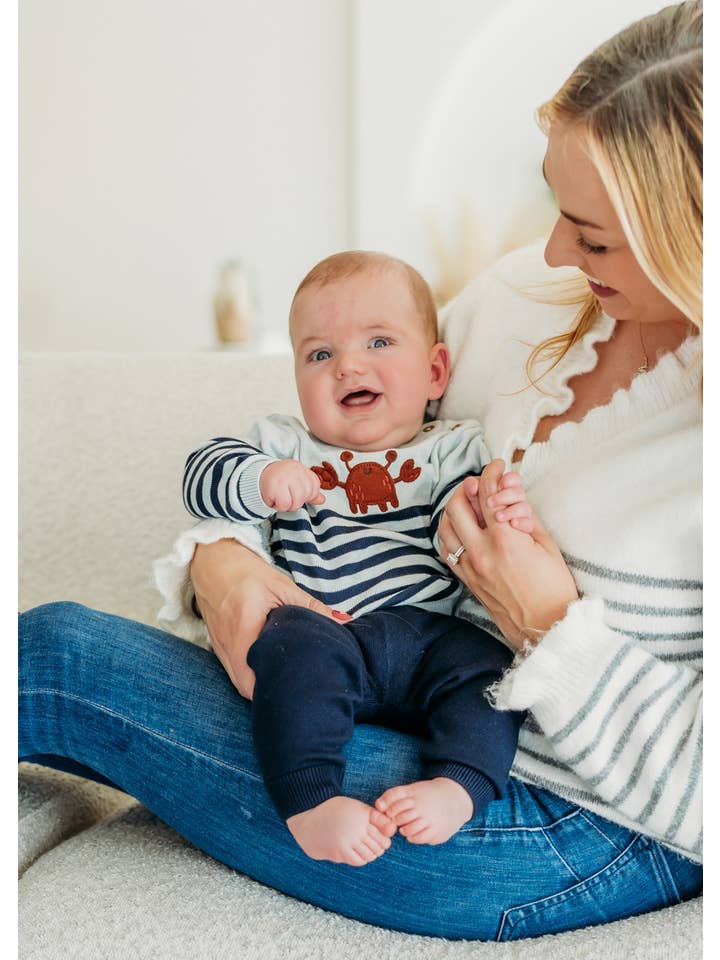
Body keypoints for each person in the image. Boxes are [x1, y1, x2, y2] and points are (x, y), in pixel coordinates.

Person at [19, 1, 702, 941]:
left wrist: (547, 624)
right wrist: (221, 565)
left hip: (565, 821)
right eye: (556, 208)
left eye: (592, 237)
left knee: (54, 661)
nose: (551, 254)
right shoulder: (516, 301)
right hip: (375, 692)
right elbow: (337, 453)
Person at [181, 250, 529, 865]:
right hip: (327, 631)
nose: (348, 365)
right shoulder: (285, 443)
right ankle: (310, 801)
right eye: (320, 354)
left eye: (378, 341)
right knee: (289, 645)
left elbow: (469, 514)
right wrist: (260, 479)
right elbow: (200, 473)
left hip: (430, 637)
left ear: (435, 372)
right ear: (295, 377)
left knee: (491, 670)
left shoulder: (453, 446)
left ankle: (458, 786)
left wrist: (497, 506)